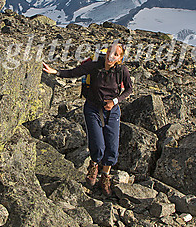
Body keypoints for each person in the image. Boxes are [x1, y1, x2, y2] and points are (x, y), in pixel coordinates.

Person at [42, 42, 133, 195]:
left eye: (116, 54)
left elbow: (129, 89)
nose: (111, 56)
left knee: (112, 147)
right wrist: (55, 72)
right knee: (98, 144)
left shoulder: (121, 70)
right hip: (93, 108)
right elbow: (75, 72)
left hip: (112, 111)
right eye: (110, 52)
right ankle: (93, 165)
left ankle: (105, 176)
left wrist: (115, 101)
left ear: (119, 58)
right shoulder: (95, 65)